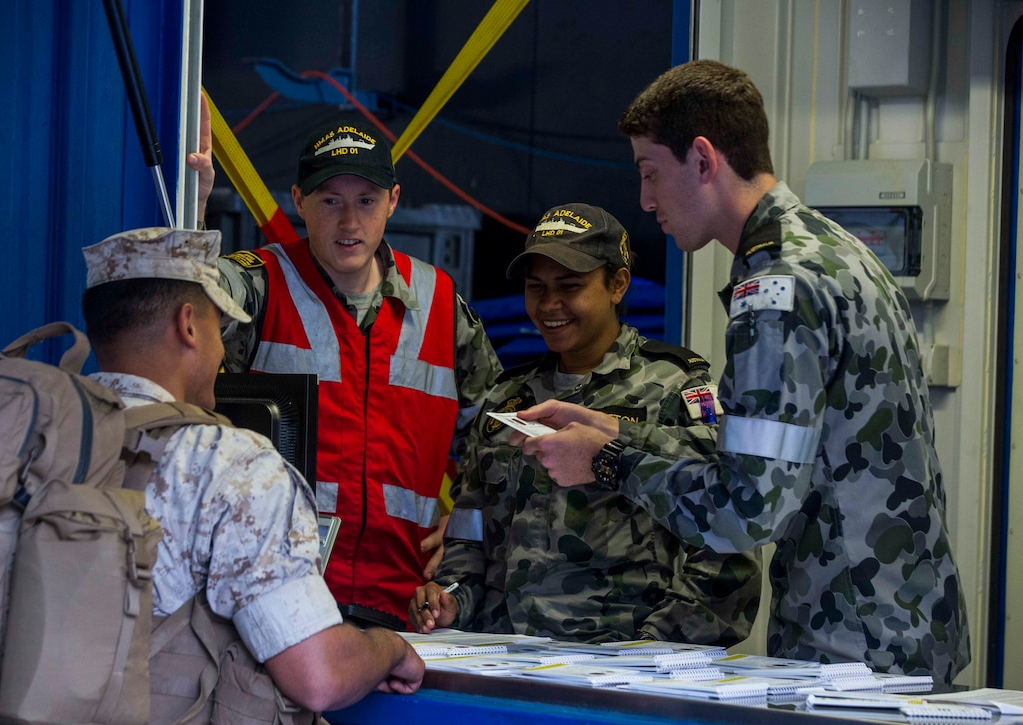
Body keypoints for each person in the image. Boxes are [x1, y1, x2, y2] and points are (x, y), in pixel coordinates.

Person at [510, 61, 970, 683]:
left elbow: (750, 506)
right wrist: (617, 429)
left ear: (702, 160)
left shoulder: (773, 288)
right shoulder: (835, 249)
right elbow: (773, 451)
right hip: (902, 622)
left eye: (650, 174)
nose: (646, 202)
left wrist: (607, 462)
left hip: (851, 648)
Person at [80, 227, 425, 720]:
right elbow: (319, 677)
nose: (223, 353)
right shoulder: (229, 464)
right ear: (189, 326)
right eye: (219, 325)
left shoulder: (32, 438)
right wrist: (389, 647)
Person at [408, 203, 761, 646]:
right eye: (536, 287)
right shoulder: (507, 398)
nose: (549, 305)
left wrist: (652, 647)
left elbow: (730, 544)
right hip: (505, 661)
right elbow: (468, 538)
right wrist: (451, 599)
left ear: (617, 284)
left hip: (619, 669)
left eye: (569, 287)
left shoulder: (674, 390)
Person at [199, 116, 502, 627]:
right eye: (330, 200)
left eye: (365, 201)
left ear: (393, 201)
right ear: (298, 200)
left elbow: (501, 434)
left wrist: (471, 526)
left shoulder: (438, 302)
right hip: (279, 602)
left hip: (409, 607)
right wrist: (197, 206)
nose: (349, 222)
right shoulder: (262, 282)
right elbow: (181, 307)